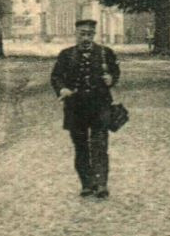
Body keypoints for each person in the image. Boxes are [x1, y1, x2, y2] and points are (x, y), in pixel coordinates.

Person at [50, 18, 121, 199]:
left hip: (100, 106)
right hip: (75, 108)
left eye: (90, 34)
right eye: (82, 34)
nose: (86, 38)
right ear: (76, 34)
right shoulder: (66, 55)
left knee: (100, 145)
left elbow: (115, 72)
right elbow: (56, 76)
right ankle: (86, 184)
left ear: (94, 35)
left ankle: (101, 184)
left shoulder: (106, 53)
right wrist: (62, 89)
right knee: (81, 147)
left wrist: (111, 79)